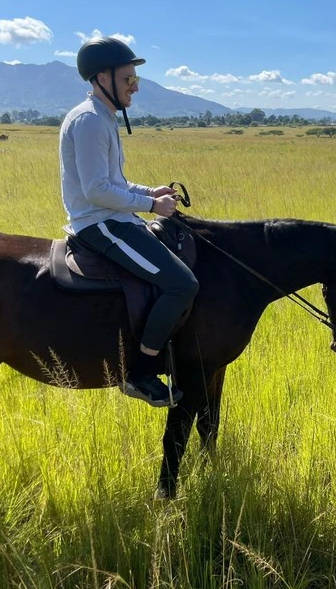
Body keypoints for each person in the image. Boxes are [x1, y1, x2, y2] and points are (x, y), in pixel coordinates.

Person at [59, 36, 199, 406]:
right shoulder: (90, 121)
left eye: (135, 79)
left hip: (114, 217)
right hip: (100, 224)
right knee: (182, 285)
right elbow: (96, 191)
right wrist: (150, 206)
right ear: (102, 78)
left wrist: (150, 191)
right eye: (128, 79)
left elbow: (114, 182)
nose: (134, 87)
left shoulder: (102, 117)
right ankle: (140, 372)